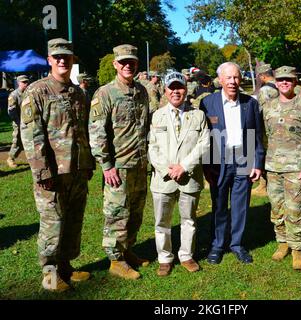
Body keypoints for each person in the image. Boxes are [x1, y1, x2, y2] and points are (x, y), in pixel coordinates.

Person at [20, 38, 94, 292]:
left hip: (76, 171)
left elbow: (83, 131)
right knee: (52, 224)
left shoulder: (78, 92)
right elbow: (31, 136)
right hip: (52, 174)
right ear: (49, 60)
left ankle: (65, 268)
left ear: (72, 59)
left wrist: (87, 164)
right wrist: (42, 172)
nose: (63, 60)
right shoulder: (37, 92)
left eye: (67, 56)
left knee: (73, 222)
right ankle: (49, 275)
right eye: (57, 57)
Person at [89, 44, 150, 280]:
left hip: (139, 164)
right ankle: (115, 260)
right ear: (115, 64)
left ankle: (127, 251)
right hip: (118, 168)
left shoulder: (142, 92)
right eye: (123, 62)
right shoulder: (104, 94)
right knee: (117, 213)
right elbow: (97, 133)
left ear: (136, 65)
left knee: (135, 212)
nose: (127, 65)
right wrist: (106, 165)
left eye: (131, 62)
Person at [200, 62, 265, 264]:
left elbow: (258, 137)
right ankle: (217, 245)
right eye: (228, 78)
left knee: (240, 205)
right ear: (220, 80)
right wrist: (206, 166)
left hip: (243, 158)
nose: (233, 82)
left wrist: (258, 163)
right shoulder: (207, 103)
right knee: (219, 204)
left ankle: (236, 244)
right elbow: (203, 138)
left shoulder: (250, 104)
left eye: (236, 77)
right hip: (218, 161)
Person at [148, 71, 210, 276]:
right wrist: (169, 170)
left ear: (186, 89)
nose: (176, 91)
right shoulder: (157, 116)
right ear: (165, 91)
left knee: (189, 220)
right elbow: (152, 148)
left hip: (189, 177)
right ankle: (165, 258)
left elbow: (204, 144)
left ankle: (186, 255)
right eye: (171, 87)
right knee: (162, 222)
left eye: (180, 87)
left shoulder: (198, 115)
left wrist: (184, 166)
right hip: (163, 179)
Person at [262, 66, 301, 270]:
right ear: (276, 82)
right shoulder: (268, 106)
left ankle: (298, 249)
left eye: (289, 79)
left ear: (295, 82)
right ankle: (283, 242)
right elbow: (265, 135)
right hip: (273, 167)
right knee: (276, 209)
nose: (284, 82)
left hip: (296, 167)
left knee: (294, 210)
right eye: (281, 79)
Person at [252, 64, 279, 196]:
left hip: (266, 127)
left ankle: (264, 185)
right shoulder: (280, 85)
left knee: (264, 153)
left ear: (262, 76)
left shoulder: (264, 90)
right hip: (279, 126)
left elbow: (262, 110)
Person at [7, 75, 29, 168]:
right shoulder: (14, 95)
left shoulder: (29, 93)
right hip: (19, 122)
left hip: (29, 121)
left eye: (27, 82)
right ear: (18, 83)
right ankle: (11, 158)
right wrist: (18, 122)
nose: (26, 84)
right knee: (18, 141)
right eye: (23, 82)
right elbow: (11, 111)